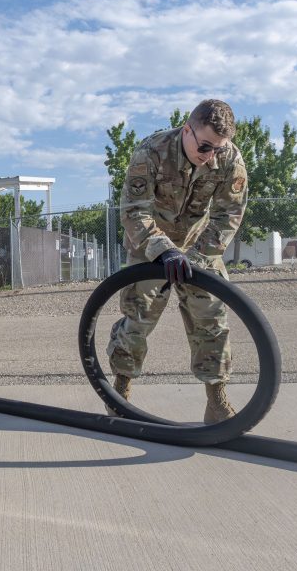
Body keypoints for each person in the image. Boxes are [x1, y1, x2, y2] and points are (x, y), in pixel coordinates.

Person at [107, 99, 248, 423]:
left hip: (199, 246)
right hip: (150, 245)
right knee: (138, 320)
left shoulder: (229, 158)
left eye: (218, 148)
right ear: (187, 130)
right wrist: (163, 250)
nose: (210, 155)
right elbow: (134, 211)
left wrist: (198, 258)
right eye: (204, 146)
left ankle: (216, 401)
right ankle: (119, 392)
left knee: (212, 320)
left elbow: (229, 214)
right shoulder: (151, 152)